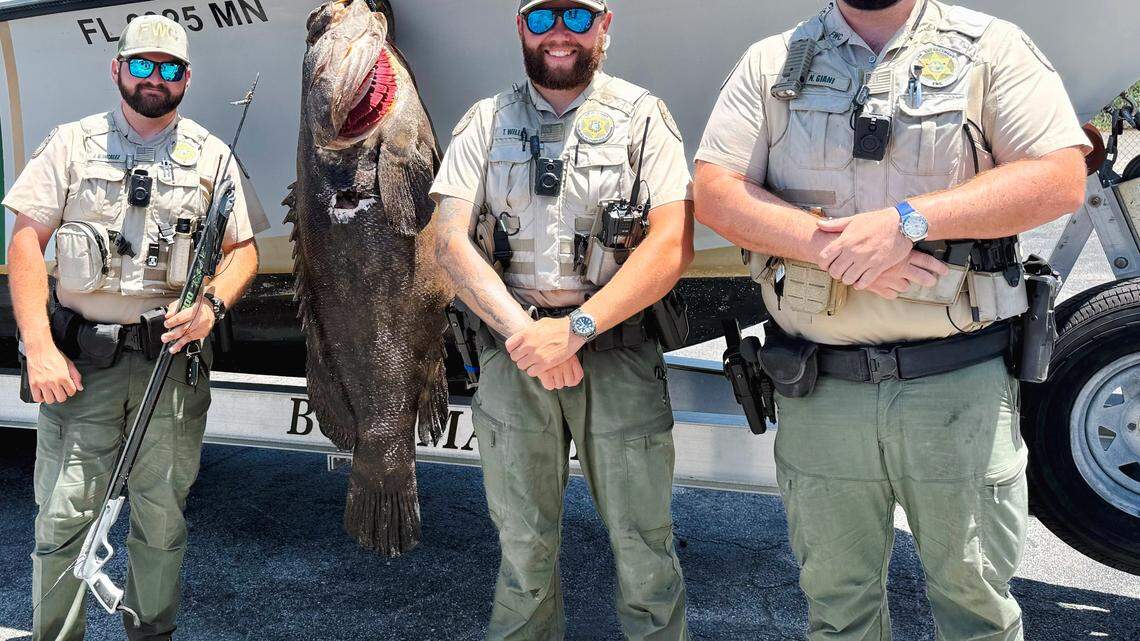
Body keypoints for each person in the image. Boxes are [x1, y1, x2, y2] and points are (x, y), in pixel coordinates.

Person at [693, 0, 1088, 639]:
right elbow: (716, 190)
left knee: (977, 610)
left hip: (955, 388)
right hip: (822, 391)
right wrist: (833, 248)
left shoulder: (990, 48)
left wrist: (906, 223)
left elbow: (1058, 177)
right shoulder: (774, 61)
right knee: (839, 612)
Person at [430, 0, 695, 638]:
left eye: (577, 18)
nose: (559, 34)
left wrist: (574, 330)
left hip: (618, 356)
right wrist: (528, 335)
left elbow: (672, 243)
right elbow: (447, 240)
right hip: (515, 360)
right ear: (520, 27)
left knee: (644, 550)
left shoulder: (642, 117)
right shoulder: (484, 121)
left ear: (606, 25)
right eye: (543, 17)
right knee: (523, 553)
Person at [4, 15, 268, 641]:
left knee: (161, 517)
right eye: (143, 65)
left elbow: (245, 252)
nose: (155, 79)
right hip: (80, 366)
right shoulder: (70, 144)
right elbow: (24, 243)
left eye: (170, 68)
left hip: (170, 370)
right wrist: (38, 348)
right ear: (116, 67)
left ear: (186, 80)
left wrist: (212, 308)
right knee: (65, 512)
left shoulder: (212, 155)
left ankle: (151, 632)